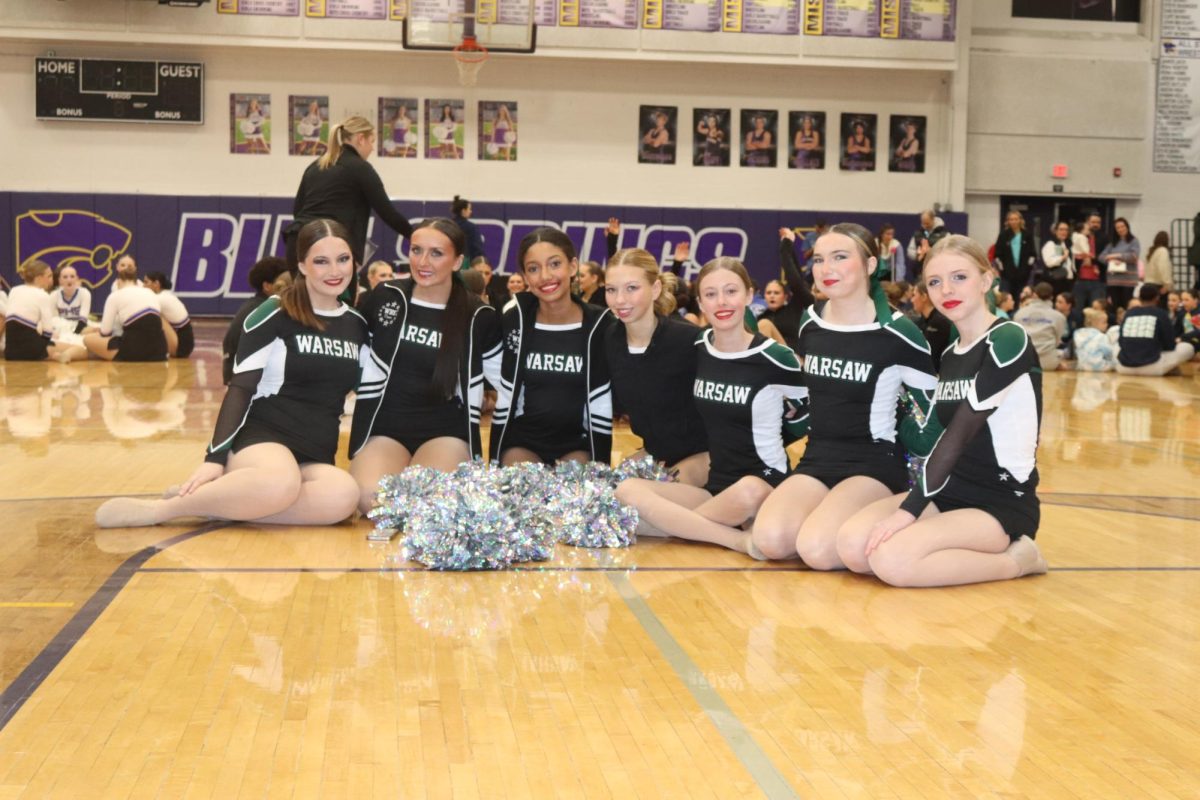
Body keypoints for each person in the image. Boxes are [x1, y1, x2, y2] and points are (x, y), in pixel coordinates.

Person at [95, 219, 366, 529]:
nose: (335, 271)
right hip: (261, 441)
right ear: (302, 265)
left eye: (343, 259)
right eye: (321, 261)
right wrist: (215, 457)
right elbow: (240, 388)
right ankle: (165, 509)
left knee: (343, 496)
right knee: (280, 483)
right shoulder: (274, 313)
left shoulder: (357, 325)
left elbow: (368, 394)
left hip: (314, 453)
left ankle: (221, 503)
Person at [836, 234, 1048, 587]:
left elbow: (960, 434)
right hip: (948, 489)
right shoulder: (951, 354)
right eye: (935, 282)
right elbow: (932, 437)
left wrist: (908, 511)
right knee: (852, 546)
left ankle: (1018, 560)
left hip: (998, 502)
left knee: (891, 560)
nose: (946, 289)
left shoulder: (1007, 339)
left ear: (986, 280)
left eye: (959, 277)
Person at [749, 223, 938, 565]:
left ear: (869, 265)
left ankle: (908, 513)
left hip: (873, 463)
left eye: (840, 257)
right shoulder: (810, 322)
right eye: (819, 260)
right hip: (817, 457)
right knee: (771, 540)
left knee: (818, 550)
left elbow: (934, 411)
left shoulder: (899, 332)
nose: (826, 269)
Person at [614, 257, 806, 553]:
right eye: (711, 294)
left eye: (731, 291)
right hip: (715, 487)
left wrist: (780, 437)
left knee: (748, 494)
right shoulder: (699, 349)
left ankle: (685, 527)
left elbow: (811, 412)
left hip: (762, 483)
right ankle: (735, 538)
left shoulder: (774, 356)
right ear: (701, 304)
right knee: (627, 490)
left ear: (748, 294)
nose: (722, 302)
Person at [349, 218, 502, 514]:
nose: (423, 261)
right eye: (416, 250)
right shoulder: (385, 298)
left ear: (457, 261)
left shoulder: (479, 315)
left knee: (428, 506)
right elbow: (351, 351)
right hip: (386, 429)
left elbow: (507, 380)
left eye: (436, 253)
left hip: (445, 433)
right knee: (371, 500)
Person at [488, 228, 614, 466]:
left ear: (572, 266)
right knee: (519, 492)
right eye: (533, 269)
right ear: (525, 276)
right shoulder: (514, 319)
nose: (545, 276)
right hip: (522, 443)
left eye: (554, 264)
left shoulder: (600, 325)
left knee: (576, 495)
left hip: (577, 443)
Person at [604, 248, 709, 487]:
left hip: (705, 454)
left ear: (655, 289)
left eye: (632, 288)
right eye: (611, 289)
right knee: (606, 497)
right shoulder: (610, 339)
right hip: (655, 454)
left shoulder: (689, 340)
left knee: (642, 502)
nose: (620, 300)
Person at [285, 115, 413, 277]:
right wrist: (415, 234)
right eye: (371, 141)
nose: (372, 149)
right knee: (339, 302)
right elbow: (387, 212)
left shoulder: (316, 165)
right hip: (330, 249)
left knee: (301, 301)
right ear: (361, 139)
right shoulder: (360, 168)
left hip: (298, 243)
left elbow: (298, 210)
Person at [83, 256, 168, 362]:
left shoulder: (115, 296)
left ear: (119, 281)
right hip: (160, 350)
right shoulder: (149, 292)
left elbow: (105, 333)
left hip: (133, 350)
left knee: (88, 339)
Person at [222, 256, 289, 384]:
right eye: (283, 284)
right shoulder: (267, 311)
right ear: (267, 286)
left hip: (234, 374)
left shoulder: (252, 305)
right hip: (246, 380)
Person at [4, 260, 86, 362]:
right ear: (38, 278)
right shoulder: (43, 295)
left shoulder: (14, 290)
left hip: (10, 351)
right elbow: (48, 331)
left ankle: (54, 354)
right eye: (49, 276)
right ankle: (63, 355)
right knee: (81, 350)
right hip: (32, 349)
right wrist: (47, 346)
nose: (52, 280)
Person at [1115, 284, 1196, 375]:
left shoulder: (1129, 313)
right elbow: (1170, 345)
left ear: (1139, 298)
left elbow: (1121, 342)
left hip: (1123, 367)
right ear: (1157, 298)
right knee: (1188, 347)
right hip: (1151, 367)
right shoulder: (1161, 314)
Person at [756, 228, 814, 352]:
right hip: (768, 362)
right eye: (768, 293)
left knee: (765, 324)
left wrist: (787, 245)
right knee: (763, 324)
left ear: (785, 296)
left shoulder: (794, 309)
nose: (772, 296)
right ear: (764, 296)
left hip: (792, 358)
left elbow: (797, 282)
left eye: (776, 293)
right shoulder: (761, 317)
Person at [1013, 282, 1066, 371]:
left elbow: (1015, 337)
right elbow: (1057, 341)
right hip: (1048, 363)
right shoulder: (1059, 317)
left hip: (1023, 362)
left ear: (1034, 295)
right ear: (1051, 297)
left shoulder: (1019, 313)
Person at [143, 271, 194, 358]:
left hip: (180, 347)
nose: (143, 286)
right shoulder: (166, 295)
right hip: (186, 344)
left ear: (156, 284)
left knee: (151, 315)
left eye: (146, 282)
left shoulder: (160, 299)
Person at [1099, 217, 1140, 310]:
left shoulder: (1134, 241)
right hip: (1114, 280)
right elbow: (1101, 257)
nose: (1121, 229)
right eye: (1118, 227)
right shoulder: (1112, 243)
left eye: (1122, 226)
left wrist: (1117, 256)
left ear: (1127, 227)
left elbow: (1134, 257)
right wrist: (1111, 260)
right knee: (1115, 307)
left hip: (1128, 280)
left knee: (1127, 306)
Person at [911, 281, 952, 370]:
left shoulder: (940, 321)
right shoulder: (921, 321)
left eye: (914, 295)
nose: (912, 300)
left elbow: (931, 355)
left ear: (924, 297)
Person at [993, 211, 1037, 294]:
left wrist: (1028, 266)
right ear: (1008, 221)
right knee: (1006, 297)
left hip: (1023, 274)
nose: (1014, 221)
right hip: (1007, 274)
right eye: (1011, 219)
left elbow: (1032, 253)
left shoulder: (1027, 235)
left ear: (1020, 220)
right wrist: (1001, 267)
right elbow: (997, 254)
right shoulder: (1003, 235)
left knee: (1021, 296)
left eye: (1016, 219)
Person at [1072, 217, 1106, 310]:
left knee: (1096, 309)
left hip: (1097, 280)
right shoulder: (1078, 237)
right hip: (1079, 279)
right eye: (1093, 222)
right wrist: (1082, 258)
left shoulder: (1104, 238)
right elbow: (1073, 254)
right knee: (1077, 309)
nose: (1095, 224)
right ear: (1087, 223)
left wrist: (1092, 260)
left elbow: (1105, 257)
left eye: (1098, 222)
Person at [50, 265, 92, 332]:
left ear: (77, 279)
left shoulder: (85, 293)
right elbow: (51, 318)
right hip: (62, 326)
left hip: (80, 326)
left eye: (72, 276)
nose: (69, 280)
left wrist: (74, 334)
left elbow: (83, 320)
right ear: (60, 280)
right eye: (65, 277)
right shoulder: (54, 295)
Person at [1073, 307, 1117, 372]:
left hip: (1082, 367)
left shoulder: (1078, 334)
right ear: (1095, 323)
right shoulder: (1101, 336)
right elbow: (1109, 353)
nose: (1107, 324)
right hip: (1098, 366)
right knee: (1116, 363)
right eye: (1104, 322)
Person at [1040, 220, 1076, 297]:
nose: (1064, 232)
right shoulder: (1050, 244)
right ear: (1055, 231)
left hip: (1067, 281)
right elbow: (1049, 262)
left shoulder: (1067, 244)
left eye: (1066, 230)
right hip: (1055, 281)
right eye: (1061, 229)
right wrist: (1063, 258)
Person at [450, 195, 486, 263]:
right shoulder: (471, 227)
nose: (470, 211)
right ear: (463, 211)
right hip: (465, 264)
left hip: (449, 263)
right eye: (469, 209)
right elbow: (477, 248)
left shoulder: (447, 225)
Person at [1144, 231, 1173, 295]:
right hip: (1158, 286)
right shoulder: (1163, 251)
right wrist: (1167, 284)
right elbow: (1163, 268)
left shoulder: (1151, 251)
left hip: (1147, 284)